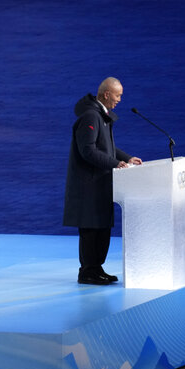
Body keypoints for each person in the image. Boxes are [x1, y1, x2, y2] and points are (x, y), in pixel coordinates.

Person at [63, 77, 142, 285]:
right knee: (91, 229)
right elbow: (88, 150)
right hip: (88, 185)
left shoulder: (100, 115)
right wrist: (115, 164)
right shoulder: (91, 117)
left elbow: (105, 146)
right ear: (106, 94)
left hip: (99, 183)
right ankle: (88, 271)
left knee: (101, 227)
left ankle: (96, 268)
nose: (119, 100)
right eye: (117, 95)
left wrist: (125, 158)